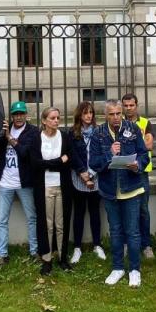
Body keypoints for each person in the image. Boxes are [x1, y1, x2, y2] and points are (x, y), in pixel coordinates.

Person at [89, 99, 149, 287]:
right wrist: (110, 154)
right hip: (109, 191)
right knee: (115, 231)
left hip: (131, 188)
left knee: (132, 232)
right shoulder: (98, 134)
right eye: (111, 114)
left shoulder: (132, 128)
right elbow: (94, 163)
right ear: (105, 115)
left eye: (118, 113)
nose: (115, 117)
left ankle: (134, 269)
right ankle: (117, 268)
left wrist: (137, 165)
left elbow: (144, 154)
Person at [0, 101, 41, 264]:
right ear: (11, 116)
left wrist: (9, 138)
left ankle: (34, 251)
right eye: (15, 114)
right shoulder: (4, 131)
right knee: (1, 220)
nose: (18, 117)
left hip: (24, 182)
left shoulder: (33, 132)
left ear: (26, 115)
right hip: (5, 181)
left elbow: (26, 153)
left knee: (32, 218)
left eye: (21, 114)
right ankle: (1, 253)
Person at [36, 107, 73, 275]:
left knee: (61, 224)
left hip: (62, 186)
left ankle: (62, 258)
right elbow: (36, 163)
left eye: (58, 117)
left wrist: (48, 163)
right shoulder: (37, 139)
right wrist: (58, 161)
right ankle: (46, 259)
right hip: (44, 186)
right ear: (44, 121)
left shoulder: (64, 137)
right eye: (52, 118)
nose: (56, 120)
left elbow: (69, 158)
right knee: (47, 225)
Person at [68, 102, 106, 264]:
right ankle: (77, 247)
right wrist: (83, 174)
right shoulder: (72, 133)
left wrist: (92, 174)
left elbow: (103, 154)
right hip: (79, 177)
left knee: (95, 212)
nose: (88, 116)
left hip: (95, 177)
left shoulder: (99, 132)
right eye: (85, 113)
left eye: (91, 113)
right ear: (79, 115)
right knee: (79, 212)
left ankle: (97, 245)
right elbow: (72, 154)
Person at [121, 93, 155, 260]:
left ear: (136, 105)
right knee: (126, 210)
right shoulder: (118, 123)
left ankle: (146, 244)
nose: (128, 108)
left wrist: (129, 148)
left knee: (143, 210)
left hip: (141, 172)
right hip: (123, 171)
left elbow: (148, 145)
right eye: (125, 105)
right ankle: (127, 243)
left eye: (131, 105)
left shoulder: (145, 123)